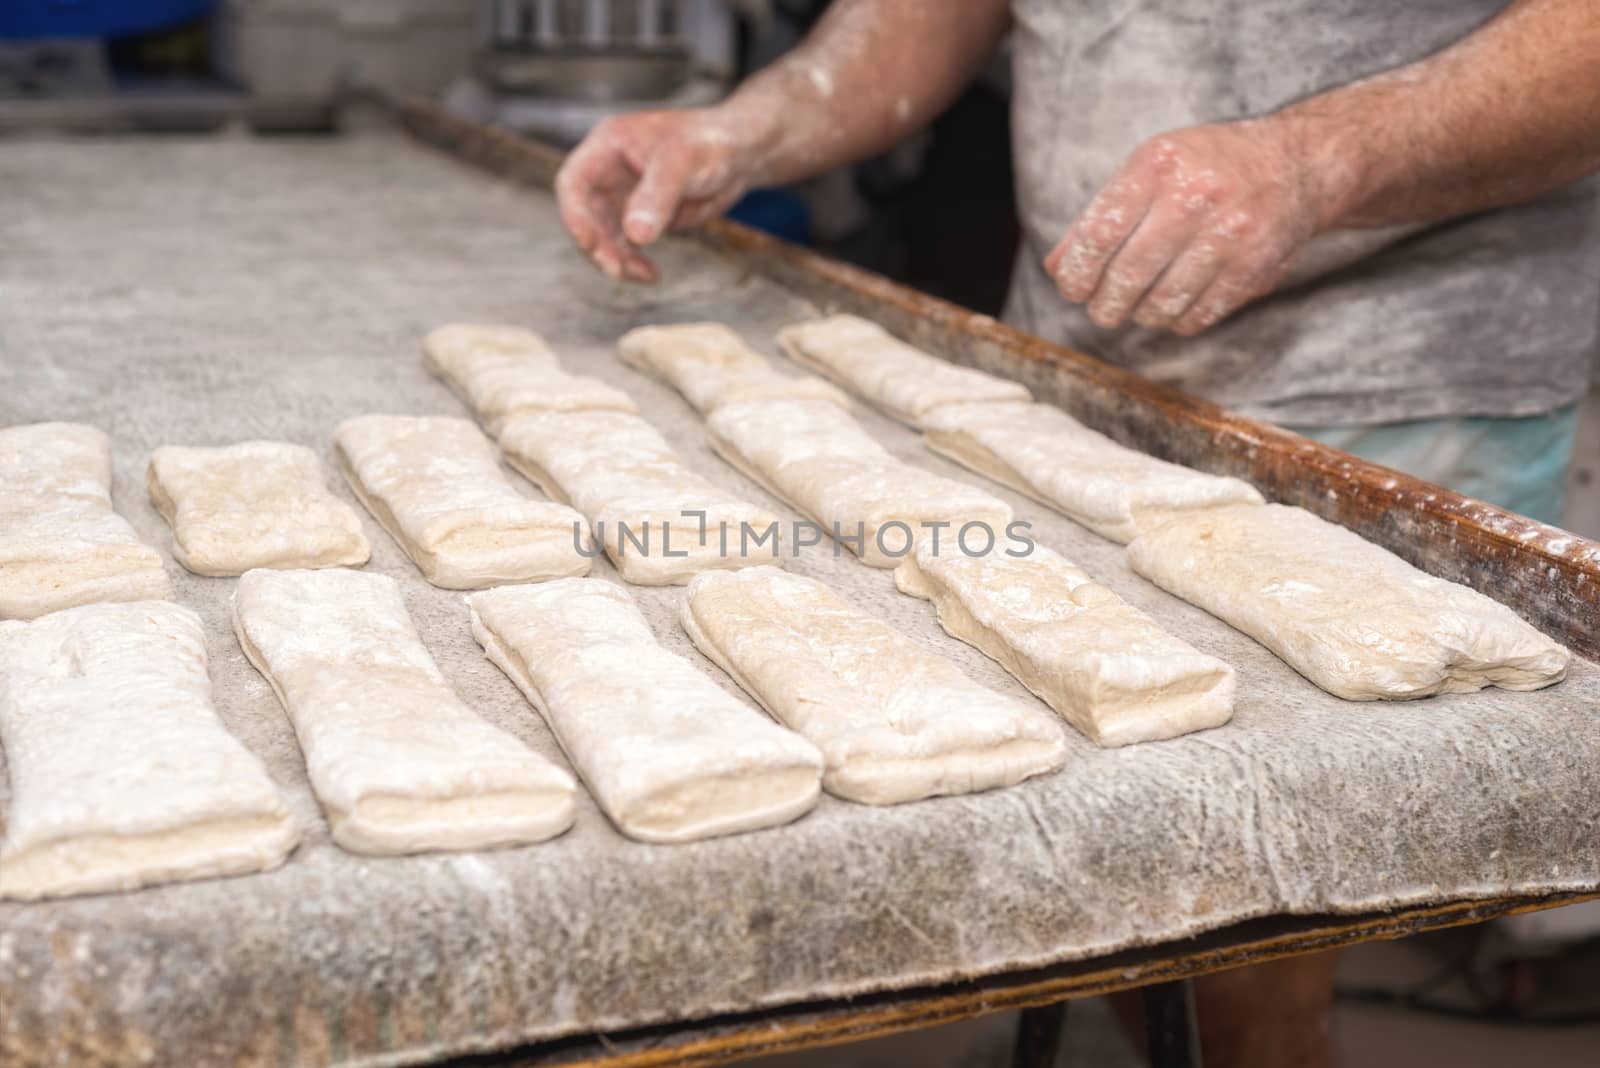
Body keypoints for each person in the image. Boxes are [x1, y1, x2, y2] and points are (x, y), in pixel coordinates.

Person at [555, 2, 1600, 1064]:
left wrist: (1316, 160)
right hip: (1084, 355)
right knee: (1125, 890)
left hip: (1398, 370)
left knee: (1265, 909)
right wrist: (743, 129)